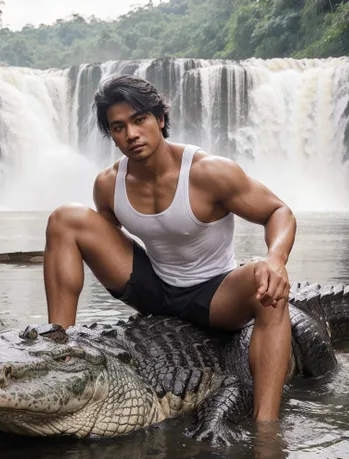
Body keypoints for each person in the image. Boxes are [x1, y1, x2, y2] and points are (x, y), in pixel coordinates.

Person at [44, 75, 296, 422]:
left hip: (214, 294)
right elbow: (102, 238)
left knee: (267, 285)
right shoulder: (108, 184)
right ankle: (58, 349)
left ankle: (266, 426)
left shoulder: (209, 172)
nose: (131, 134)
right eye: (118, 128)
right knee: (64, 219)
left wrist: (275, 259)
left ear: (160, 119)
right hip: (155, 288)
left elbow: (278, 211)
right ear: (111, 135)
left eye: (139, 119)